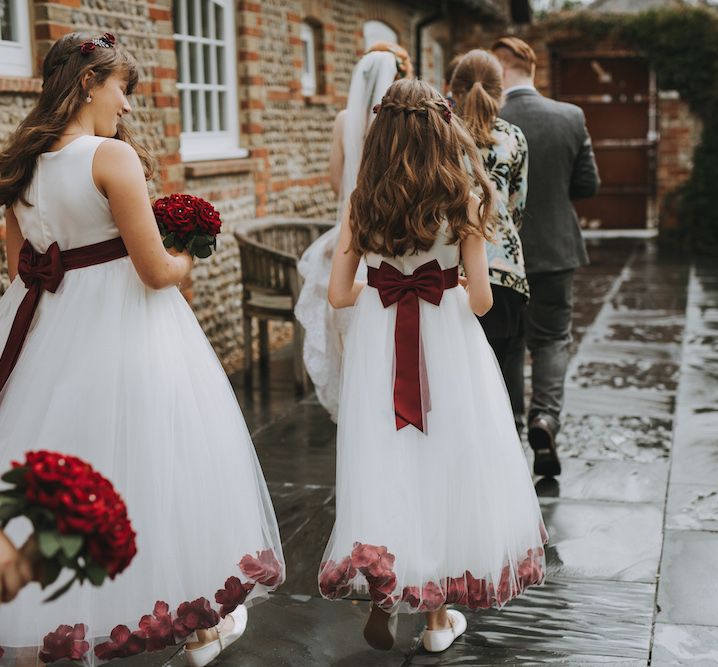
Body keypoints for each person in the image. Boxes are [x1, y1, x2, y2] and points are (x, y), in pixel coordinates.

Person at [0, 32, 283, 666]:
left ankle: (43, 626)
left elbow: (20, 267)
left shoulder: (19, 165)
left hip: (46, 334)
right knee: (158, 470)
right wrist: (187, 257)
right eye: (122, 88)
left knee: (68, 478)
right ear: (87, 85)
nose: (126, 106)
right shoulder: (110, 159)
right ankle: (195, 622)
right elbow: (154, 270)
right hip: (126, 332)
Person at [318, 79, 547, 654]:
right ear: (441, 129)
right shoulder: (462, 198)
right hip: (446, 347)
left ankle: (383, 593)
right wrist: (454, 285)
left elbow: (340, 295)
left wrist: (384, 286)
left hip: (381, 345)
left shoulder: (362, 201)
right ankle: (438, 620)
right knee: (443, 459)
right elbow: (483, 301)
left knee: (385, 457)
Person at [491, 36, 600, 477]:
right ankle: (546, 419)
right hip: (556, 249)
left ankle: (513, 427)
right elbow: (589, 184)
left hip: (500, 255)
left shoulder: (485, 119)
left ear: (501, 67)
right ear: (531, 67)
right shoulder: (569, 116)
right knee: (553, 339)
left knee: (510, 343)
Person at [295, 43, 413, 421]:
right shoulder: (403, 120)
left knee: (351, 327)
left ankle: (361, 403)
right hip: (394, 230)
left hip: (354, 224)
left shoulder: (346, 119)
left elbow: (335, 181)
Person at [450, 49, 529, 424]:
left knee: (463, 374)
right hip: (506, 264)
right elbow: (517, 204)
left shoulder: (444, 138)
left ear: (453, 89)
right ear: (500, 92)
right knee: (508, 363)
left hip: (457, 271)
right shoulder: (514, 137)